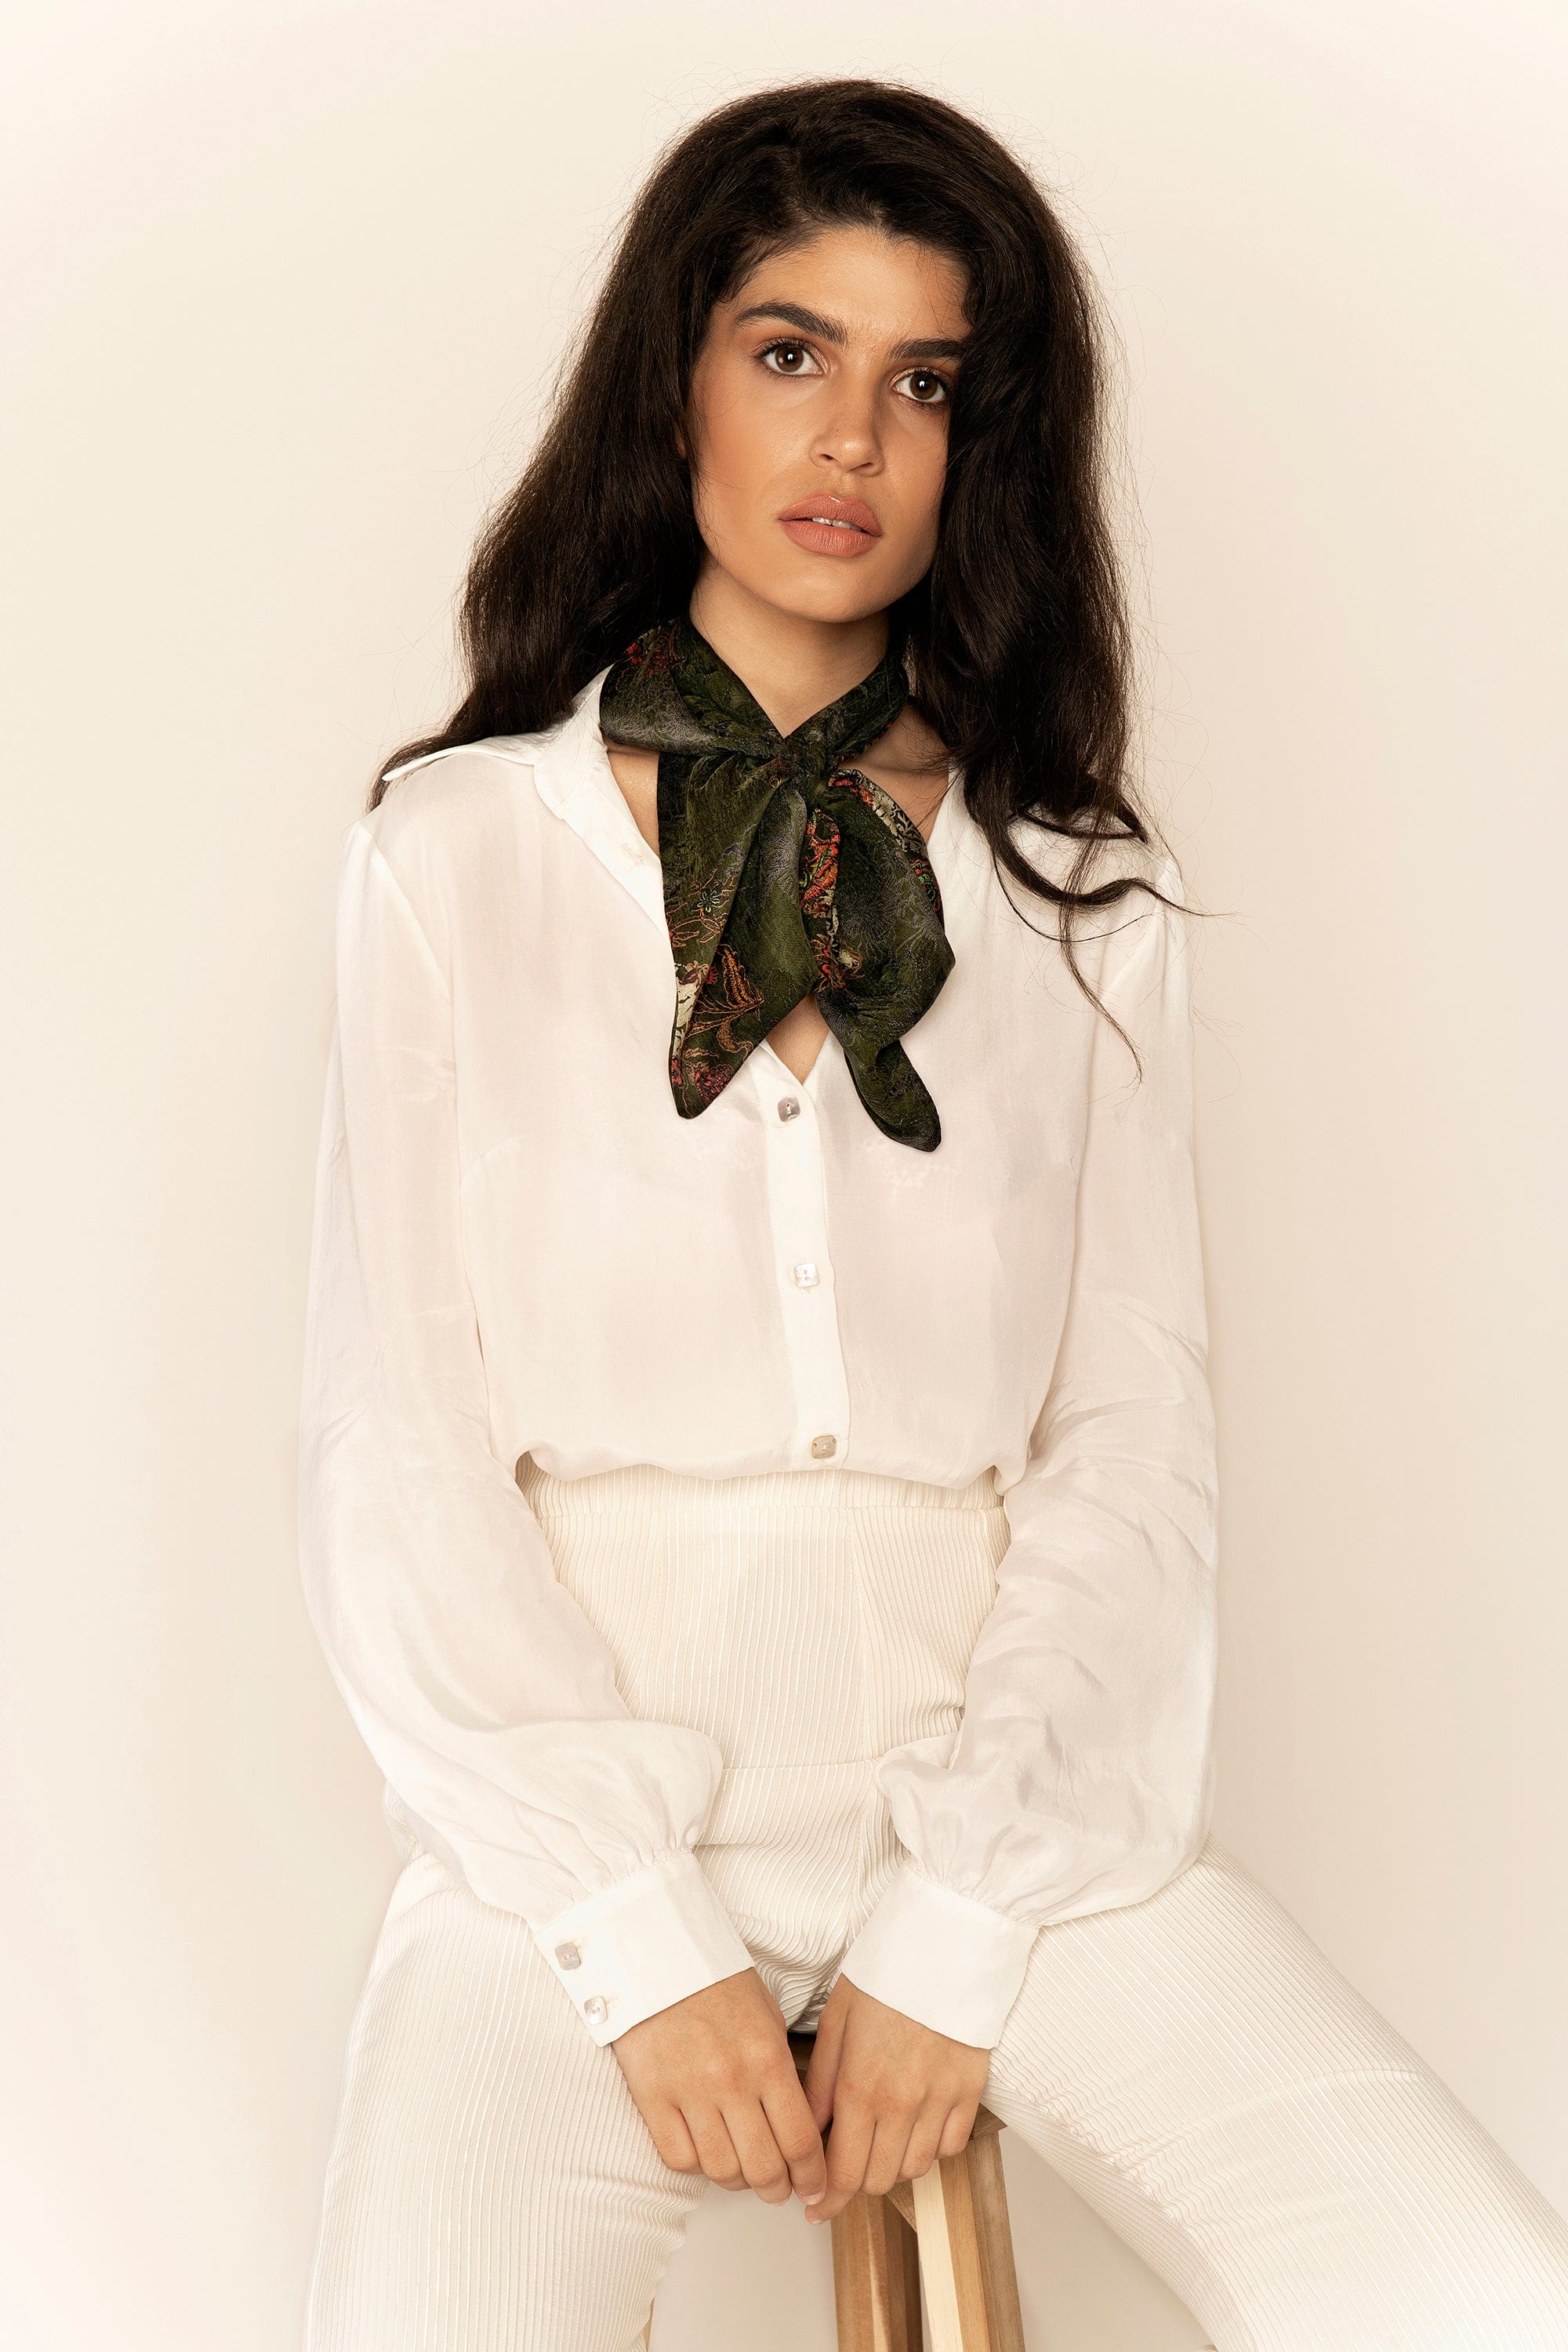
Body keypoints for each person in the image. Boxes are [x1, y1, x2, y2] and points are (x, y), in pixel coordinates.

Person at [295, 75, 1568, 2352]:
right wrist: (631, 1931)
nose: (852, 439)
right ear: (675, 381)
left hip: (1004, 1784)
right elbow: (394, 1440)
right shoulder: (456, 857)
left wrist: (961, 1923)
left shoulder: (1081, 897)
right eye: (791, 351)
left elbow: (1129, 1439)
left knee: (1465, 2293)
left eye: (929, 383)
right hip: (568, 1813)